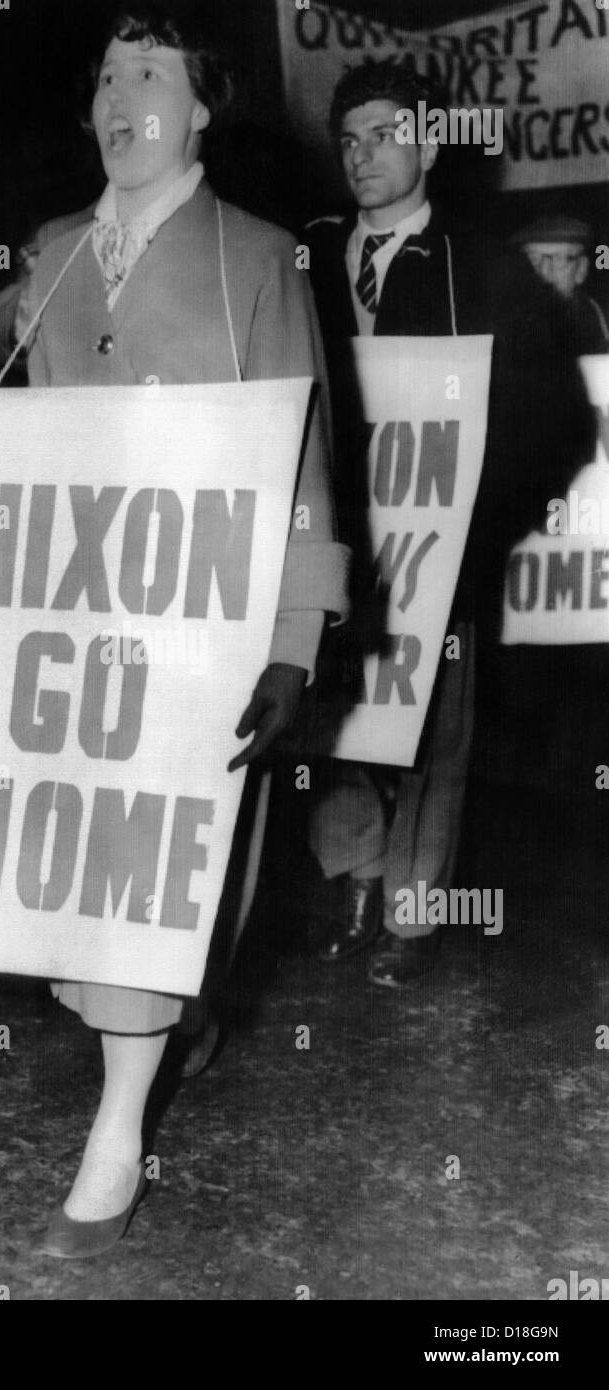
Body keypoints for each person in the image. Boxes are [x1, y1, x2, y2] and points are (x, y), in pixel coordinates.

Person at [1, 2, 348, 1256]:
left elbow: (306, 455)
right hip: (71, 631)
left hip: (203, 633)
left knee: (151, 886)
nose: (117, 95)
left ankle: (115, 1129)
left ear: (200, 107)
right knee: (90, 883)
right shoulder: (43, 259)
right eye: (105, 73)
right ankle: (163, 1033)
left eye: (147, 72)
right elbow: (12, 421)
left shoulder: (254, 257)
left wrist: (298, 636)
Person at [304, 60, 591, 989]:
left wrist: (485, 513)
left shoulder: (484, 268)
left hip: (441, 549)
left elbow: (558, 418)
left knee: (435, 736)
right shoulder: (303, 255)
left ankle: (411, 911)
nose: (363, 156)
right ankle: (351, 870)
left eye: (385, 135)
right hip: (335, 542)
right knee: (330, 718)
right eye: (349, 140)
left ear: (429, 143)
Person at [510, 215, 609, 357]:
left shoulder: (601, 322)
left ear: (581, 269)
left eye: (559, 259)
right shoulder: (504, 324)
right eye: (533, 259)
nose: (544, 271)